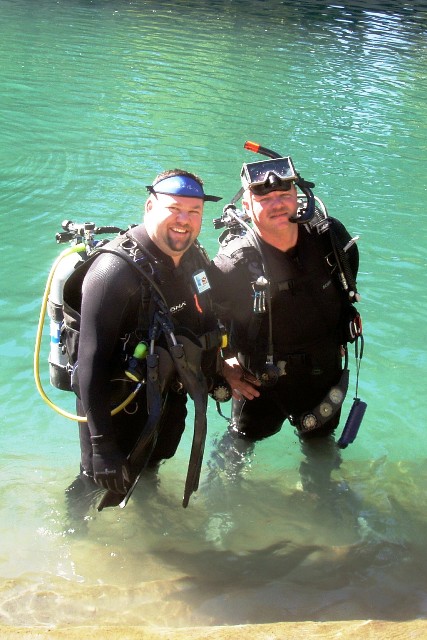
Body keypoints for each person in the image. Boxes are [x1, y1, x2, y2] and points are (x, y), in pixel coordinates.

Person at [68, 169, 223, 502]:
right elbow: (87, 367)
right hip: (115, 406)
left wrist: (222, 371)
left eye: (194, 211)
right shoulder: (114, 271)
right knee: (93, 485)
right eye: (174, 208)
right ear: (150, 207)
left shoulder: (196, 258)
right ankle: (74, 542)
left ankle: (148, 534)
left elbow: (207, 318)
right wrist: (101, 446)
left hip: (166, 396)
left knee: (152, 467)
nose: (184, 220)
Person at [208, 152, 361, 484]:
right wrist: (223, 365)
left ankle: (324, 507)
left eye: (284, 195)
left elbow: (348, 287)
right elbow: (204, 321)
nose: (277, 204)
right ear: (246, 206)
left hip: (322, 375)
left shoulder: (329, 239)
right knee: (239, 445)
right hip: (259, 382)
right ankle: (220, 507)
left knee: (322, 448)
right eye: (264, 198)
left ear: (298, 197)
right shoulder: (232, 264)